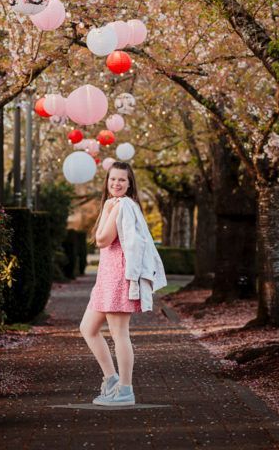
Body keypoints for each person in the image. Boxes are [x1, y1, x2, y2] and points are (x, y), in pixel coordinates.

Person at [79, 161, 167, 407]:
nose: (116, 184)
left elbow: (102, 239)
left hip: (118, 277)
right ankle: (111, 380)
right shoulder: (115, 204)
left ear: (129, 185)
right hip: (105, 279)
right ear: (107, 182)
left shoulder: (121, 206)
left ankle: (126, 390)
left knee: (119, 333)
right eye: (112, 179)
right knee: (88, 328)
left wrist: (108, 211)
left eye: (122, 180)